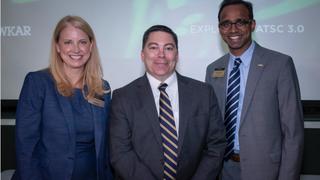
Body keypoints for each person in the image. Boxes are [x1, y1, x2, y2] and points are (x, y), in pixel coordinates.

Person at [109, 25, 226, 180]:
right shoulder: (122, 97)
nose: (161, 55)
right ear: (142, 55)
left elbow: (216, 145)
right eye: (153, 47)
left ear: (176, 55)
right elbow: (120, 153)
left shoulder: (204, 93)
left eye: (168, 48)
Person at [205, 0, 304, 180]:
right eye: (226, 23)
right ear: (220, 29)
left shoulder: (280, 64)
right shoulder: (213, 69)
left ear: (252, 25)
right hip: (222, 169)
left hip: (266, 170)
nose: (233, 29)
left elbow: (293, 132)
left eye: (240, 22)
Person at [14, 15, 113, 180]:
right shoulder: (38, 83)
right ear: (58, 47)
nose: (76, 49)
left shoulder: (101, 88)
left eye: (82, 42)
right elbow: (26, 147)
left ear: (91, 46)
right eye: (68, 42)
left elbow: (106, 149)